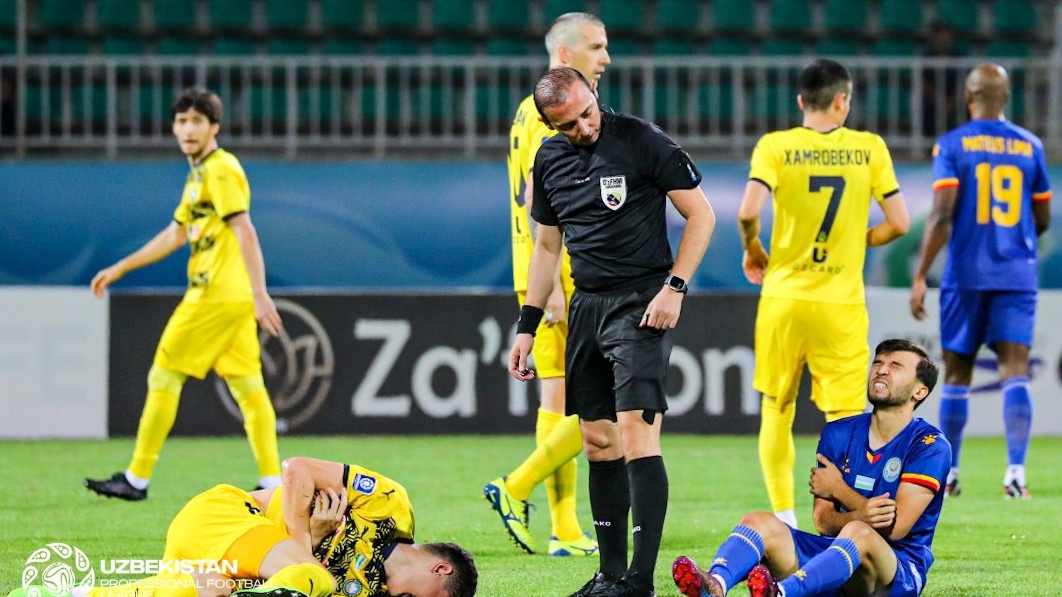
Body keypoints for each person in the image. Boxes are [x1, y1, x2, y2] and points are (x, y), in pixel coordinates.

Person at [509, 66, 716, 597]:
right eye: (569, 124)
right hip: (586, 306)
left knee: (636, 434)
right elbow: (547, 247)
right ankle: (609, 575)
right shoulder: (549, 159)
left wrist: (674, 288)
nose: (584, 126)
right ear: (549, 125)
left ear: (595, 93)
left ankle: (639, 582)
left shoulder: (642, 140)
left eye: (587, 112)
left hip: (642, 303)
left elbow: (702, 216)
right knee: (597, 442)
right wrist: (527, 326)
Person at [84, 87, 285, 500]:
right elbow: (177, 233)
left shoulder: (221, 170)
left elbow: (245, 230)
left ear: (214, 127)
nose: (188, 129)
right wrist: (122, 267)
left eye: (197, 121)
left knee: (164, 374)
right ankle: (273, 482)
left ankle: (137, 478)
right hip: (231, 297)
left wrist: (261, 293)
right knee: (248, 387)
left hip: (214, 295)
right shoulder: (199, 175)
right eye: (181, 121)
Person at [738, 58, 911, 529]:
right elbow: (899, 223)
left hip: (784, 297)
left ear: (801, 101)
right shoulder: (868, 148)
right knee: (846, 416)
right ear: (842, 101)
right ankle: (844, 517)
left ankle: (785, 517)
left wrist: (753, 249)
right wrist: (856, 240)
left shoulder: (775, 146)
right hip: (840, 302)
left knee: (776, 407)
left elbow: (748, 212)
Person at [671, 339, 951, 597]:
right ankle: (715, 584)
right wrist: (862, 513)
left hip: (896, 573)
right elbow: (822, 521)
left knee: (859, 532)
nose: (882, 370)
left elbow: (897, 528)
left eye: (896, 366)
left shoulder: (929, 445)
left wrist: (840, 490)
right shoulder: (838, 432)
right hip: (836, 558)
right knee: (758, 521)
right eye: (878, 362)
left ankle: (782, 593)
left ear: (920, 391)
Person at [484, 11, 610, 558]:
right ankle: (517, 487)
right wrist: (555, 287)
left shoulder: (524, 110)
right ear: (565, 54)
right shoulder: (550, 114)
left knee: (557, 396)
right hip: (560, 275)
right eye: (596, 47)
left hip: (535, 270)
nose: (605, 58)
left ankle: (564, 529)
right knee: (596, 401)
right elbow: (545, 200)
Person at [13, 457, 477, 597]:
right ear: (440, 569)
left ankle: (56, 593)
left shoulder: (367, 594)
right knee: (311, 577)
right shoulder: (389, 507)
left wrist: (310, 544)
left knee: (214, 591)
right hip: (223, 516)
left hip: (222, 565)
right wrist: (303, 543)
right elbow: (296, 470)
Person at [909, 63, 1051, 499]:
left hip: (966, 274)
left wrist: (920, 274)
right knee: (1015, 370)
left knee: (957, 372)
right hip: (1016, 274)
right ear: (1005, 97)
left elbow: (942, 215)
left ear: (968, 97)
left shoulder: (952, 145)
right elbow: (1043, 217)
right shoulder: (1031, 146)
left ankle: (950, 474)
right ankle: (1015, 475)